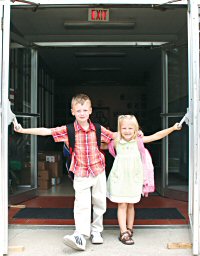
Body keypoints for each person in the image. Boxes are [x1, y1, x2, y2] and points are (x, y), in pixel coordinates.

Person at [14, 93, 116, 251]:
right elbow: (46, 131)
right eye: (78, 110)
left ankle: (97, 231)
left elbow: (114, 136)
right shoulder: (68, 130)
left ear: (90, 111)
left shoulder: (97, 129)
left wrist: (135, 134)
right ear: (72, 111)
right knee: (81, 205)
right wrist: (23, 130)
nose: (81, 113)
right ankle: (81, 235)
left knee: (99, 203)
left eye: (84, 110)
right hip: (80, 172)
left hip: (98, 171)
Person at [106, 115, 182, 245]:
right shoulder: (116, 140)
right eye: (124, 128)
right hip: (119, 178)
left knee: (131, 204)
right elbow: (98, 136)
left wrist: (173, 128)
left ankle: (129, 229)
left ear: (136, 129)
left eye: (131, 128)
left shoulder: (138, 141)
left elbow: (156, 136)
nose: (127, 130)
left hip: (134, 179)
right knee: (122, 204)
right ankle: (123, 232)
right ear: (119, 129)